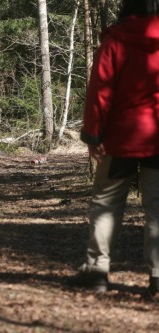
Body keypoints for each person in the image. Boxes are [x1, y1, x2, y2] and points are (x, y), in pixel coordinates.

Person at [71, 0, 159, 294]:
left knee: (107, 204)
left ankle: (97, 271)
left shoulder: (116, 38)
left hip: (119, 137)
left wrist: (92, 135)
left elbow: (100, 89)